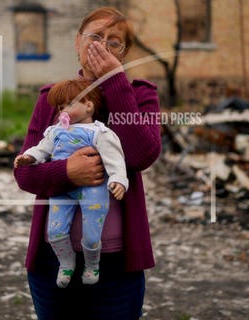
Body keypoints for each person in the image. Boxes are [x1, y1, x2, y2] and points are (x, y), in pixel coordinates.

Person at [13, 6, 161, 320]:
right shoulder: (52, 99)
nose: (102, 46)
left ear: (123, 53)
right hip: (53, 263)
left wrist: (115, 83)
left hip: (117, 268)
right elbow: (25, 174)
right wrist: (68, 172)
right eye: (95, 37)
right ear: (78, 43)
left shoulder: (140, 96)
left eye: (114, 42)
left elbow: (141, 155)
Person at [14, 79, 128, 288]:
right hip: (63, 188)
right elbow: (41, 149)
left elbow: (115, 159)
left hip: (93, 188)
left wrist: (119, 180)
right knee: (55, 230)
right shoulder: (55, 131)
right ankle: (66, 263)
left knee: (92, 233)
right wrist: (28, 157)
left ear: (89, 105)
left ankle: (92, 264)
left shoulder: (99, 133)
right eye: (60, 107)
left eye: (69, 104)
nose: (63, 111)